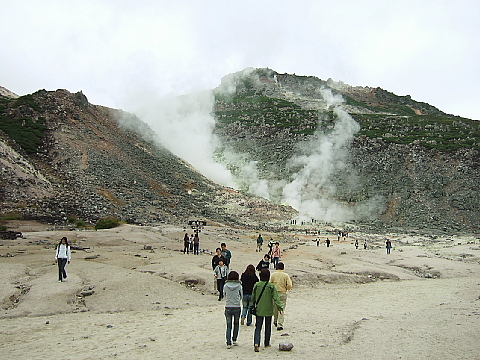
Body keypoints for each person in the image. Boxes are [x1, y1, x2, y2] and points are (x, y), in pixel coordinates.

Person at [252, 269, 283, 352]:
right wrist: (280, 308)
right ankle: (266, 343)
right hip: (269, 309)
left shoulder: (257, 285)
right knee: (268, 327)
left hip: (259, 309)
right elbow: (276, 298)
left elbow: (253, 297)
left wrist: (252, 306)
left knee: (258, 327)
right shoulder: (271, 286)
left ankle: (256, 343)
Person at [270, 262, 293, 331]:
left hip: (275, 293)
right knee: (281, 308)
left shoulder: (273, 275)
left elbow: (270, 284)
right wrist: (286, 288)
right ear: (283, 268)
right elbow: (290, 285)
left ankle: (275, 321)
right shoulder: (286, 275)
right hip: (282, 293)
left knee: (275, 308)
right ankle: (280, 324)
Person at [223, 271, 243, 348]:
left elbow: (224, 295)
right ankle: (234, 339)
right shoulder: (239, 286)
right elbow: (241, 296)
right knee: (236, 324)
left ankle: (228, 342)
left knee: (229, 325)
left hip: (228, 306)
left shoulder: (225, 285)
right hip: (237, 306)